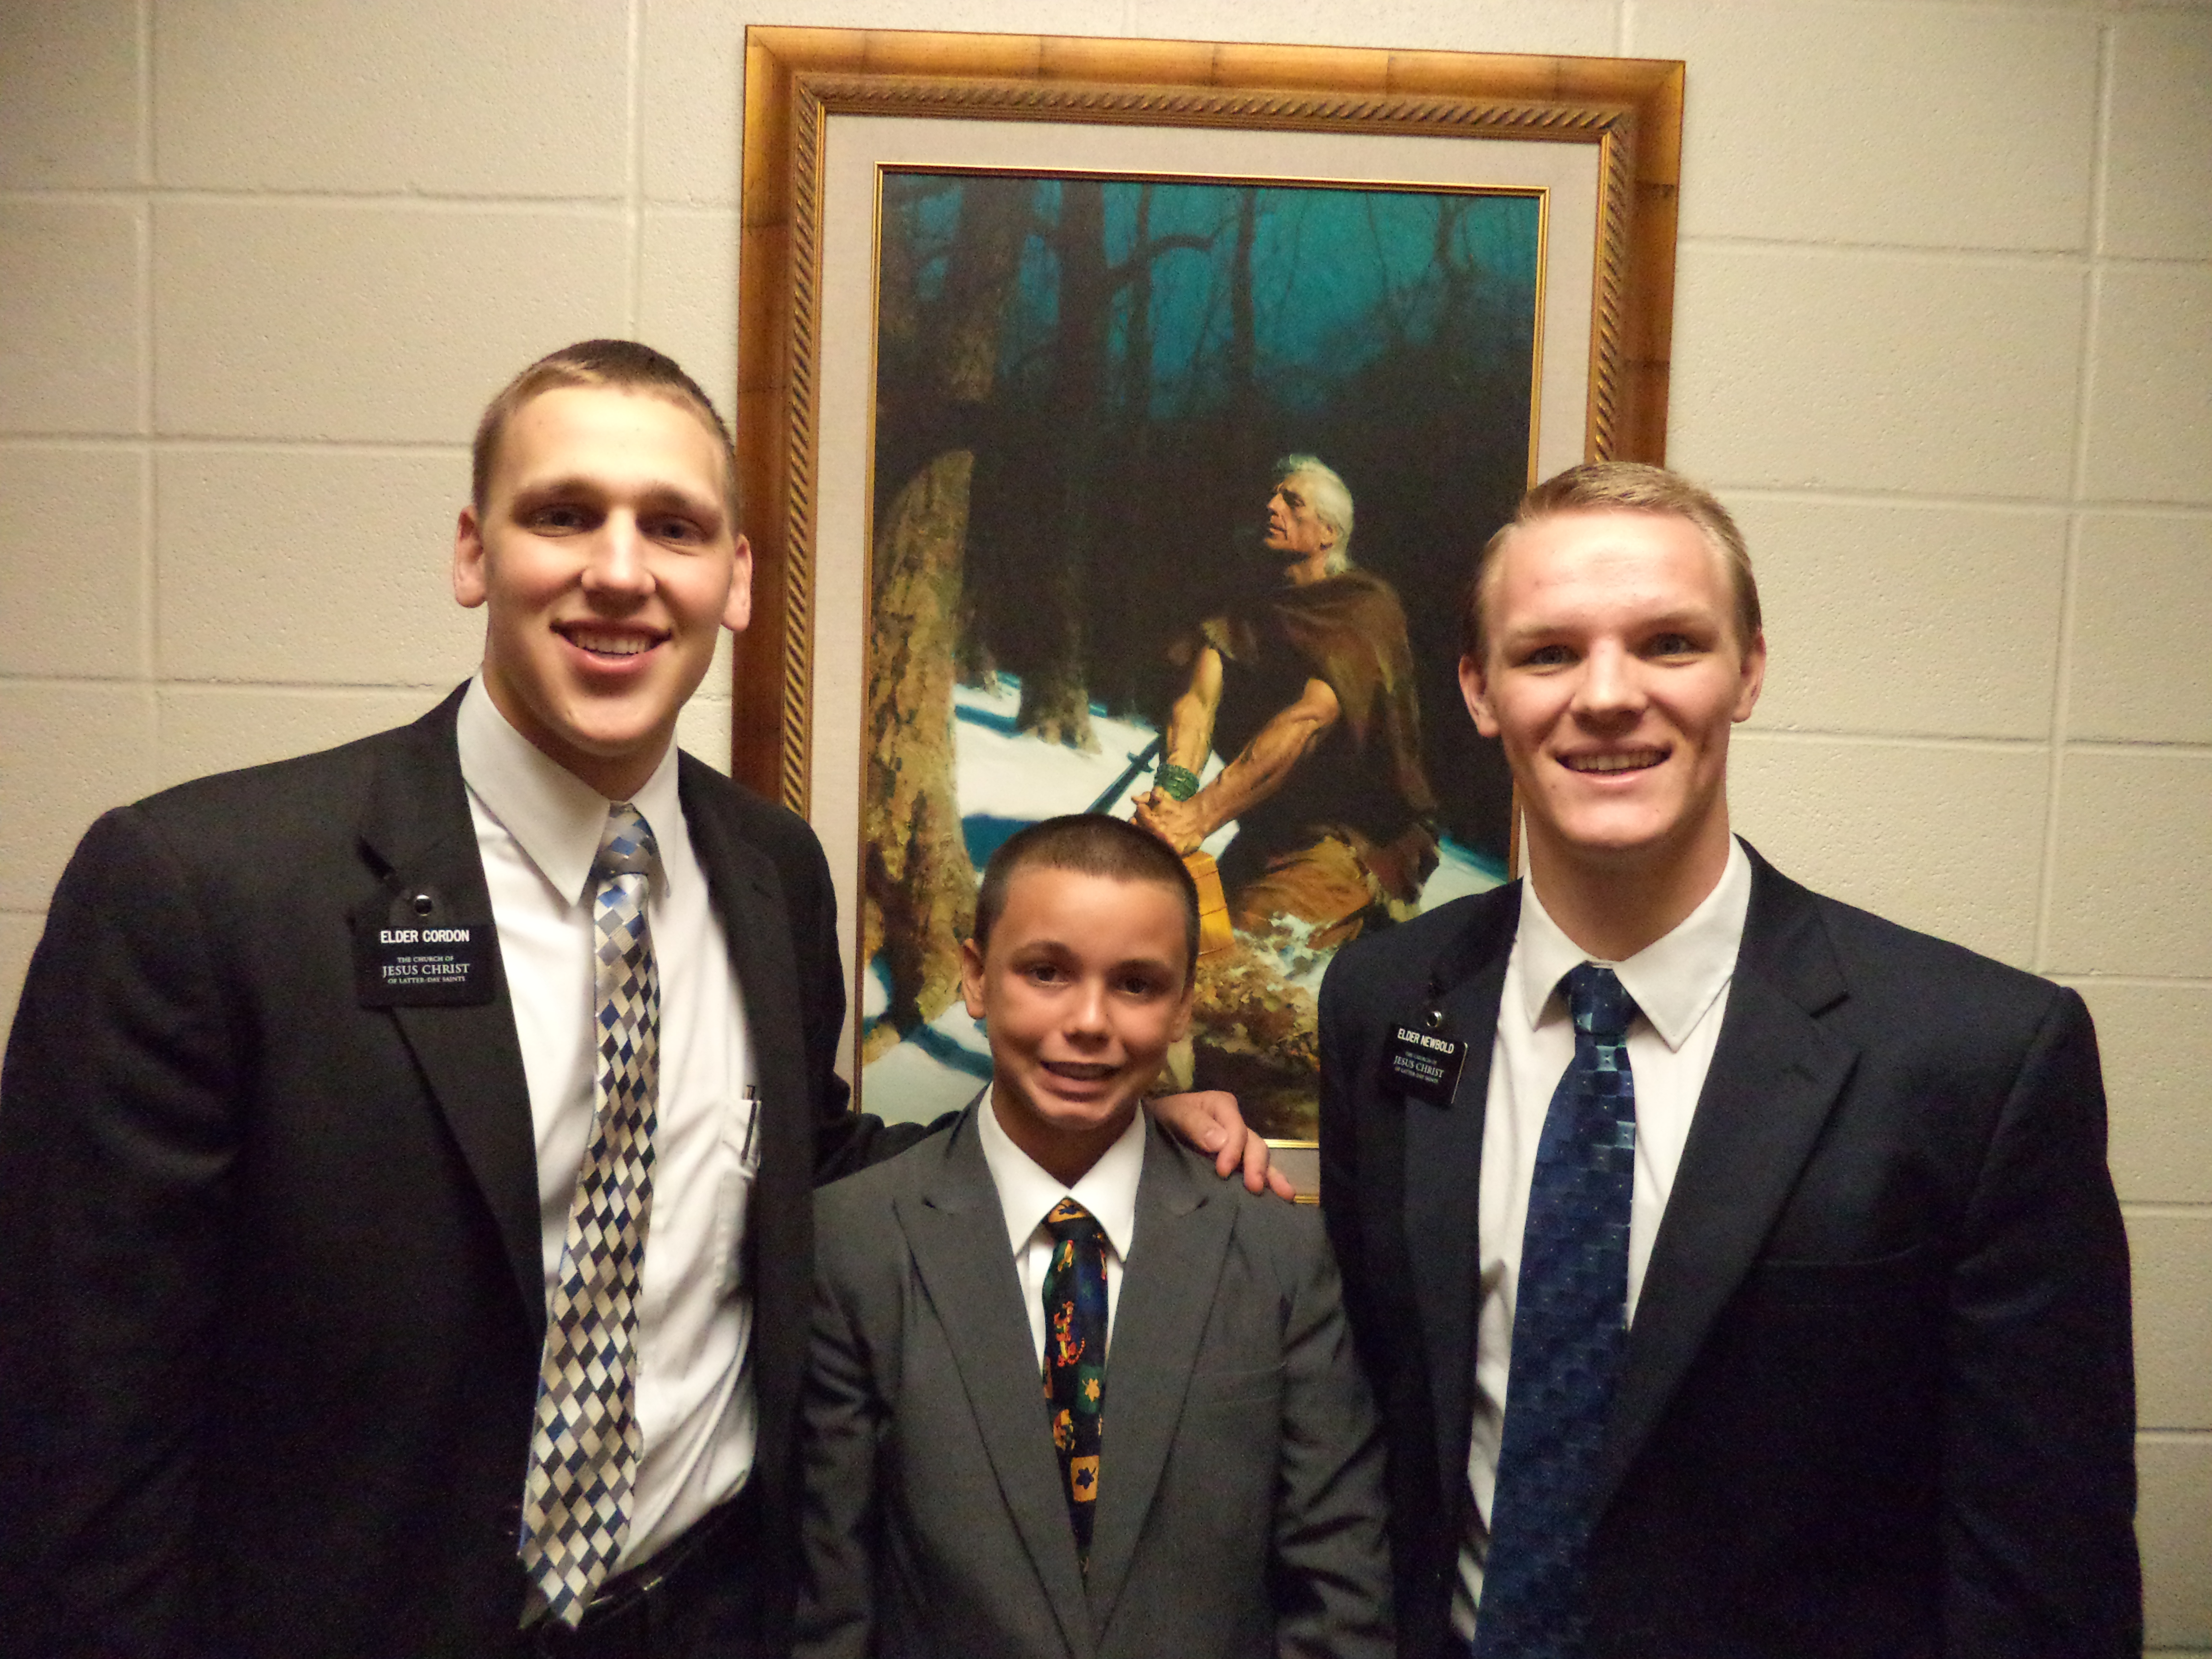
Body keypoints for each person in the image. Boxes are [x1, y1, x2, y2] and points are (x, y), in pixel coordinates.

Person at [0, 340, 1277, 1659]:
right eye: (564, 514)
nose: (620, 571)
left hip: (709, 1614)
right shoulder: (205, 890)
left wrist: (1108, 1141)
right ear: (473, 553)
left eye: (674, 527)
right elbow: (78, 1423)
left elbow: (800, 1168)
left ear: (736, 580)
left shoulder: (771, 871)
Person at [1318, 461, 2140, 1658]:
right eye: (1548, 653)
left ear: (1748, 670)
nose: (1608, 695)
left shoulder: (1978, 1057)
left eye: (1669, 643)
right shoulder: (1387, 1002)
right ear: (1480, 690)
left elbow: (2044, 1569)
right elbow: (1368, 1418)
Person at [797, 814, 1393, 1659]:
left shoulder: (1278, 1253)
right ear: (976, 977)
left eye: (1137, 985)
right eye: (1046, 972)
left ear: (1184, 1007)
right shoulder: (857, 1245)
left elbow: (1339, 1590)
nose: (1088, 1020)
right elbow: (832, 1604)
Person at [1136, 455, 1438, 953]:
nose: (1271, 506)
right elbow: (1198, 703)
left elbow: (1308, 722)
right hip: (1265, 835)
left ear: (1328, 533)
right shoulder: (1246, 607)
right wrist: (1172, 796)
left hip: (1350, 844)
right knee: (1178, 948)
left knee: (1239, 972)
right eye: (1273, 497)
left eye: (1292, 502)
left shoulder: (1362, 608)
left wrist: (1198, 818)